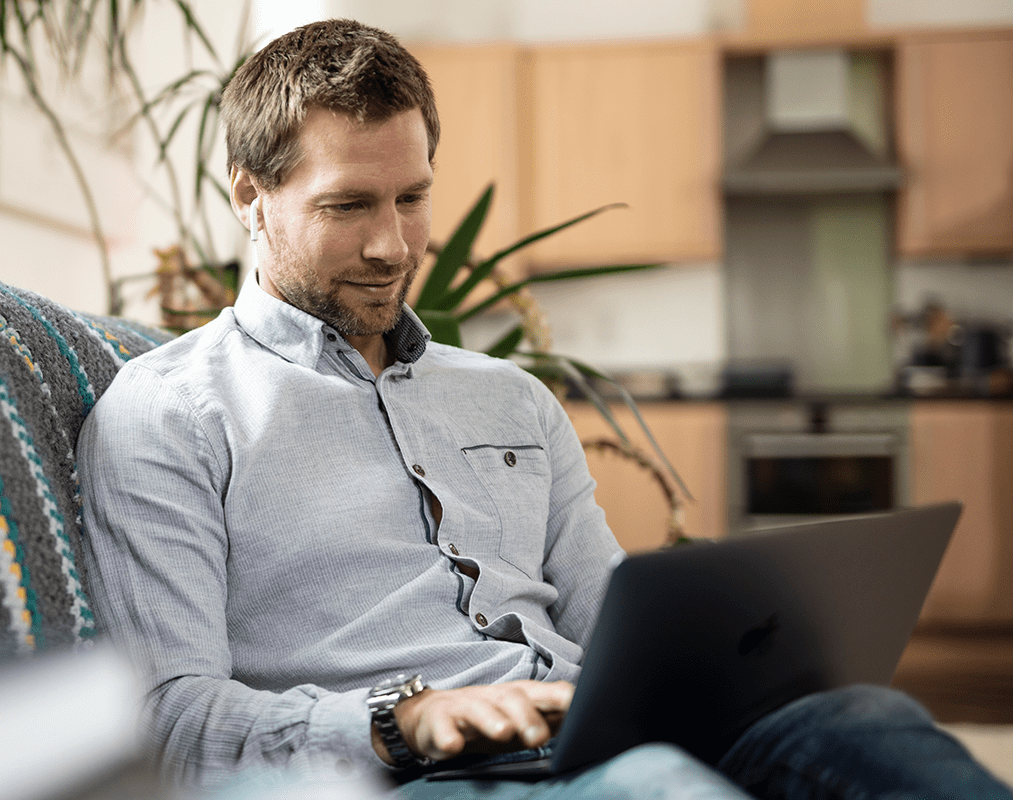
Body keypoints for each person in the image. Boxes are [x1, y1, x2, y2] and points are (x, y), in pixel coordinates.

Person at [77, 17, 1011, 800]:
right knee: (660, 787)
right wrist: (405, 720)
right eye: (349, 205)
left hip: (582, 729)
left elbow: (613, 617)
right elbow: (170, 719)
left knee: (864, 721)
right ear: (251, 196)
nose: (392, 244)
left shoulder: (511, 397)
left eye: (413, 197)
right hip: (411, 777)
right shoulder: (171, 414)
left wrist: (744, 656)